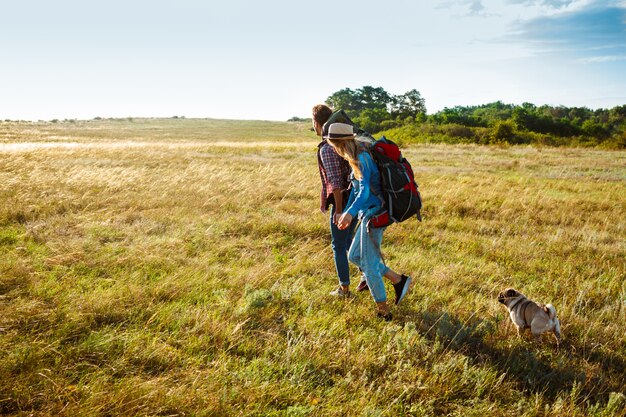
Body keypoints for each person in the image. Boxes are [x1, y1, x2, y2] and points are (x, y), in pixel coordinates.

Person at [324, 122, 412, 320]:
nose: (334, 150)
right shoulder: (355, 156)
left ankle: (384, 311)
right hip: (367, 214)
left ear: (340, 143)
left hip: (376, 214)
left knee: (370, 265)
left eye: (334, 146)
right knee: (354, 257)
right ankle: (397, 280)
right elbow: (356, 189)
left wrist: (350, 213)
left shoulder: (362, 157)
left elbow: (364, 191)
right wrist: (346, 212)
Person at [312, 104, 368, 297]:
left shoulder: (327, 148)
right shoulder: (343, 141)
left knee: (338, 245)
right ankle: (365, 276)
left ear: (317, 123)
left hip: (343, 202)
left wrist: (339, 210)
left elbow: (336, 182)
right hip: (355, 199)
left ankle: (344, 288)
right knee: (349, 242)